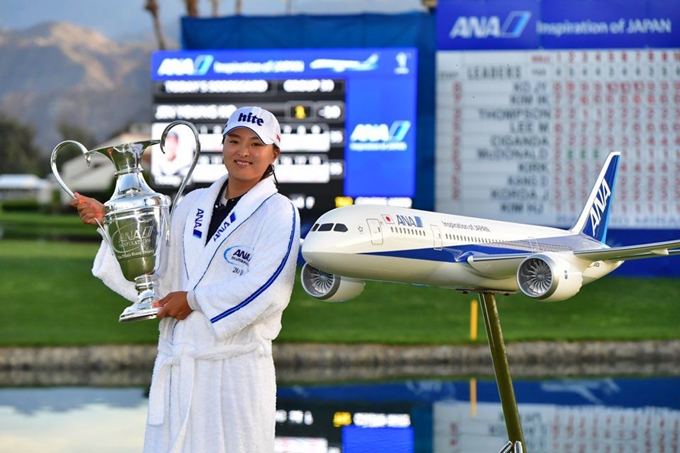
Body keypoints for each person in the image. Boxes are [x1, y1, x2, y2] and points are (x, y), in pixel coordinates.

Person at [71, 106, 300, 452]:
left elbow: (268, 288)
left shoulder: (279, 211)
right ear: (222, 145)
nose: (243, 152)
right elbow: (159, 270)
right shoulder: (193, 204)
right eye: (234, 141)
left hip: (234, 377)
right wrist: (111, 224)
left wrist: (192, 301)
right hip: (180, 368)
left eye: (256, 144)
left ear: (274, 154)